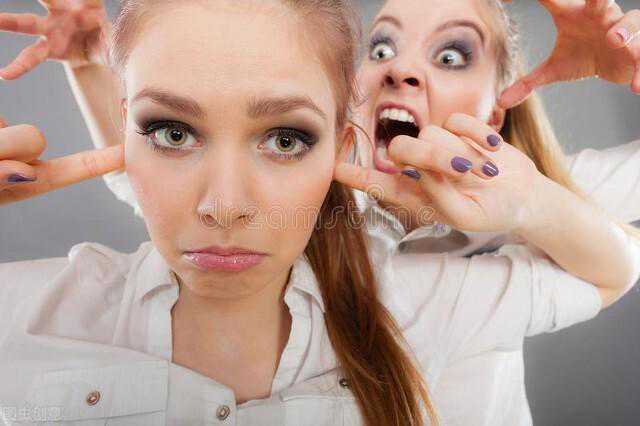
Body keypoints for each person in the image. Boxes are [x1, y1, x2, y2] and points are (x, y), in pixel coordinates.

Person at [0, 1, 638, 425]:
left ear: (499, 103)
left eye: (450, 56)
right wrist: (96, 61)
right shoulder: (317, 210)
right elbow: (153, 177)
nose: (401, 71)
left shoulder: (530, 212)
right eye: (382, 49)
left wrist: (529, 202)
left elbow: (612, 265)